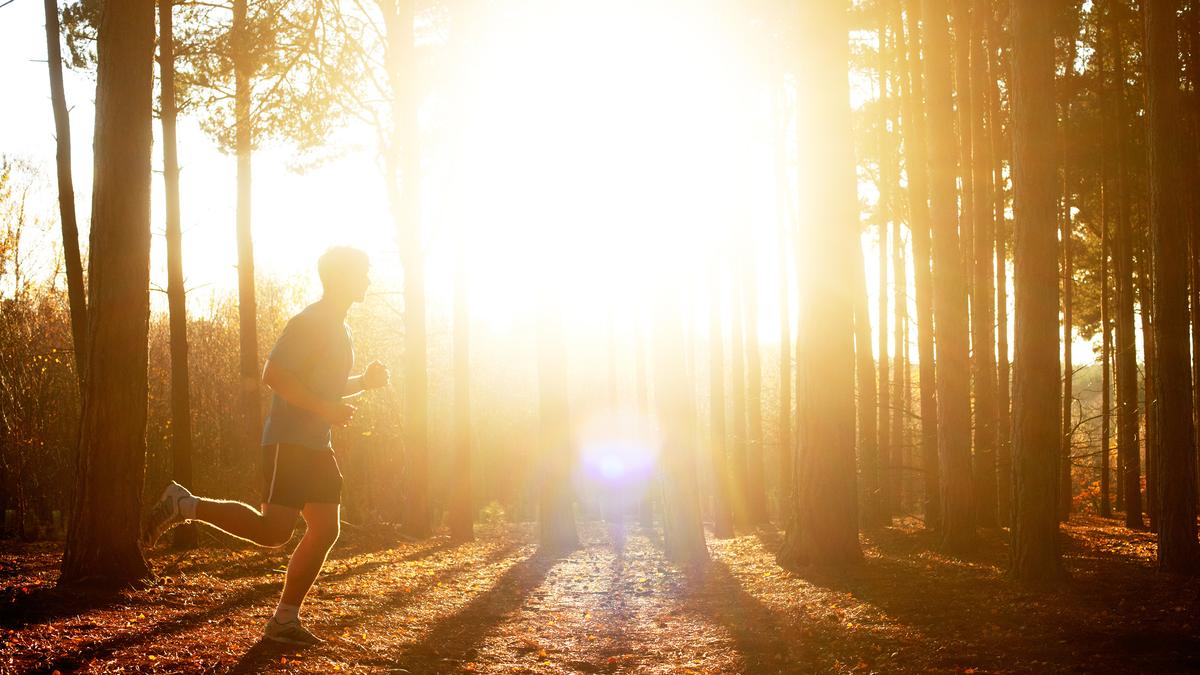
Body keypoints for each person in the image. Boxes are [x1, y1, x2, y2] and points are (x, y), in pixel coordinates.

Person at [142, 246, 388, 646]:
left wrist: (363, 383)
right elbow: (275, 374)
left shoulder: (341, 328)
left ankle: (284, 620)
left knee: (326, 529)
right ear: (341, 278)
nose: (368, 280)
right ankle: (183, 504)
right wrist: (325, 407)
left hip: (316, 444)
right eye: (363, 272)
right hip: (288, 441)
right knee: (273, 531)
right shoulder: (310, 321)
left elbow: (321, 386)